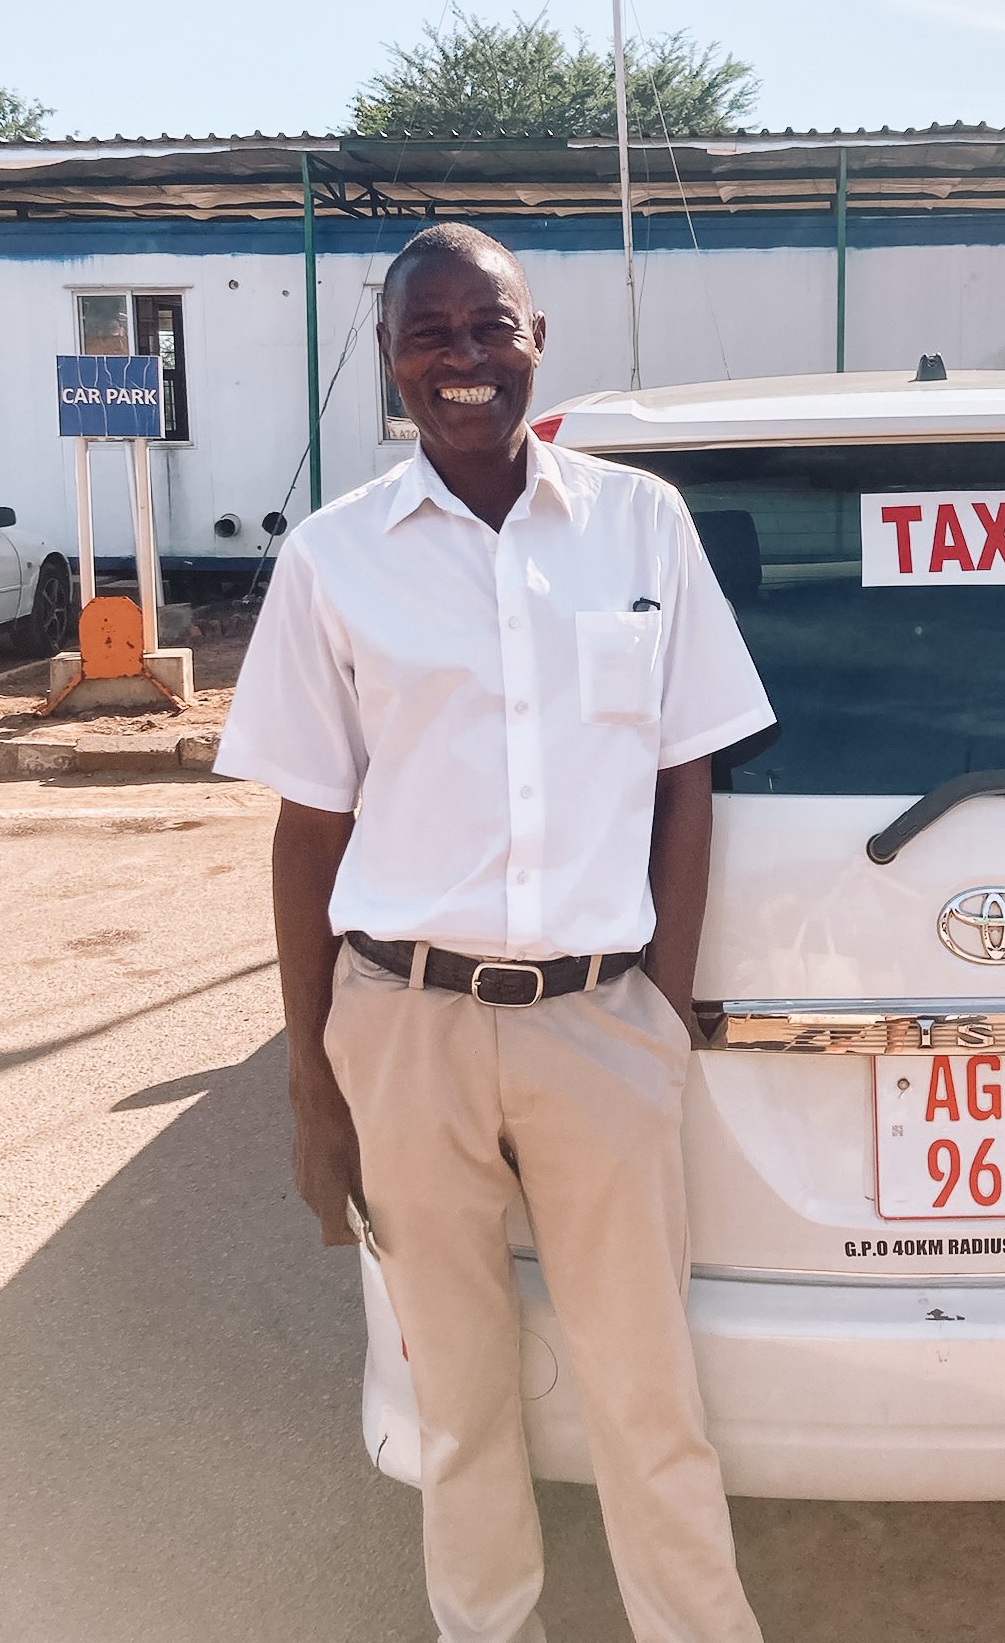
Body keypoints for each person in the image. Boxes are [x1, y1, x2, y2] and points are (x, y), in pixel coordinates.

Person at [215, 222, 774, 1643]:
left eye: (490, 327)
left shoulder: (642, 526)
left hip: (600, 1024)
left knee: (648, 1398)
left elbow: (686, 774)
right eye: (431, 334)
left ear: (536, 340)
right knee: (457, 1402)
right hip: (404, 1028)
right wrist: (311, 1083)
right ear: (392, 363)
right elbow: (309, 831)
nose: (465, 360)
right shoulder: (334, 562)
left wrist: (660, 1004)